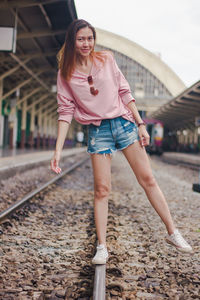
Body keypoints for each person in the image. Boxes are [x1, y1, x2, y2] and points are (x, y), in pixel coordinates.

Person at [50, 19, 192, 264]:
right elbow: (65, 112)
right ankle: (102, 246)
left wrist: (140, 124)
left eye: (90, 38)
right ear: (72, 41)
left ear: (94, 40)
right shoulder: (66, 73)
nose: (86, 43)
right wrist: (57, 151)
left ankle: (173, 232)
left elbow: (125, 91)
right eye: (81, 39)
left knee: (148, 179)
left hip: (124, 124)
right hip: (98, 131)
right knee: (102, 190)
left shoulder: (106, 59)